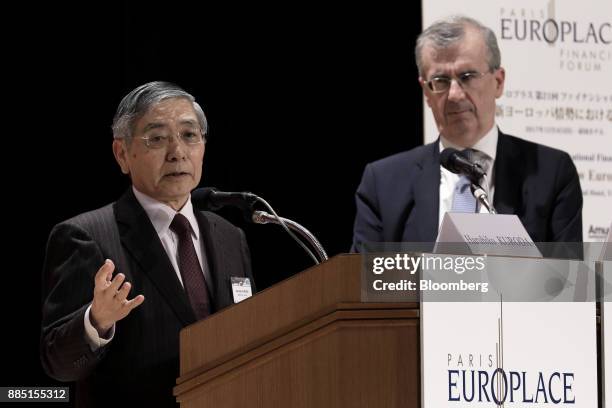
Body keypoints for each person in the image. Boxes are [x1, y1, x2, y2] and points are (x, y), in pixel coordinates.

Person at [40, 81, 255, 407]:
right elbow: (57, 362)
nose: (177, 152)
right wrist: (96, 321)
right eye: (156, 138)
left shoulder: (230, 237)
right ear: (122, 153)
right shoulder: (85, 237)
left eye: (189, 135)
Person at [352, 15, 582, 251]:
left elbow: (567, 281)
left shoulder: (551, 172)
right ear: (426, 91)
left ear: (499, 81)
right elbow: (361, 283)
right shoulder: (383, 183)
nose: (454, 95)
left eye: (467, 77)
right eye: (440, 81)